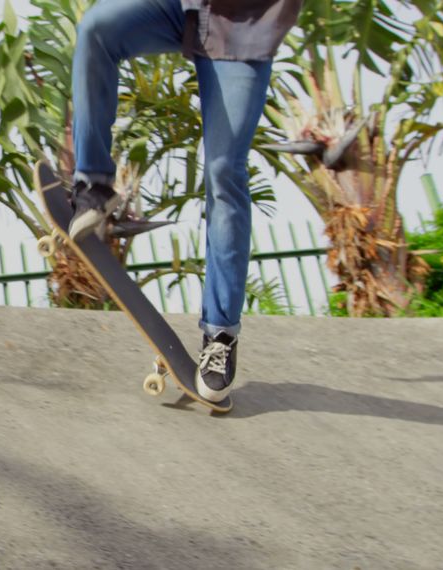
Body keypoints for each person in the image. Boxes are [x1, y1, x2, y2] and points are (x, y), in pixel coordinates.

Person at [67, 0, 303, 411]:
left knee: (223, 172)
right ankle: (95, 184)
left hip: (245, 26)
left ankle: (220, 337)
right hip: (181, 5)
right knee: (96, 29)